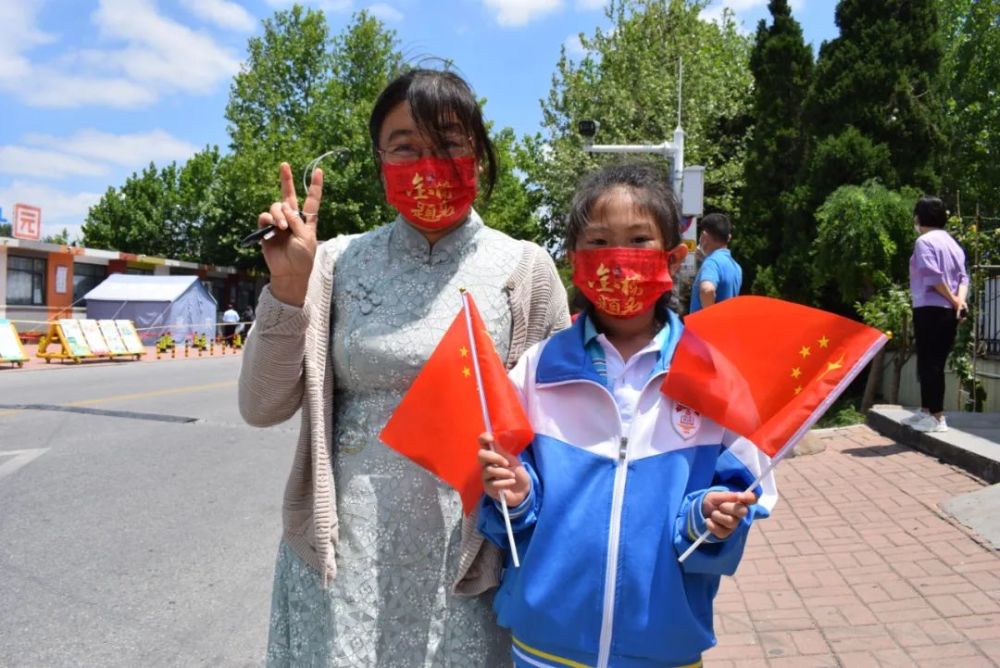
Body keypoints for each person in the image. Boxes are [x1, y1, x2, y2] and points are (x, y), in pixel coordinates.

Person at [238, 67, 570, 666]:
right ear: (378, 159)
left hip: (469, 552)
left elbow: (561, 434)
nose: (429, 163)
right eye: (405, 147)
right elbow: (260, 407)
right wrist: (289, 286)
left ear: (481, 154)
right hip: (344, 551)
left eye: (449, 144)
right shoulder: (334, 262)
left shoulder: (524, 269)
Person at [477, 163, 777, 668]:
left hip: (665, 648)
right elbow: (506, 512)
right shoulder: (536, 370)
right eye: (597, 243)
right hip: (543, 647)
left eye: (639, 240)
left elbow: (736, 502)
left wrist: (711, 519)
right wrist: (517, 494)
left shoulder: (714, 376)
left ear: (674, 258)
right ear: (573, 261)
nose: (618, 260)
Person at [904, 196, 968, 433]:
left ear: (919, 218)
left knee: (930, 363)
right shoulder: (953, 244)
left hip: (929, 309)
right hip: (947, 312)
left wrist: (952, 300)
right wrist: (959, 302)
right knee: (931, 361)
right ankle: (925, 411)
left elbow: (933, 277)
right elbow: (963, 277)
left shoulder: (924, 242)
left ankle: (938, 417)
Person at [688, 212, 742, 314]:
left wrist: (710, 318)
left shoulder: (711, 262)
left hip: (702, 329)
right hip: (724, 327)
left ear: (704, 236)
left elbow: (707, 290)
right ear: (729, 237)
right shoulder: (736, 267)